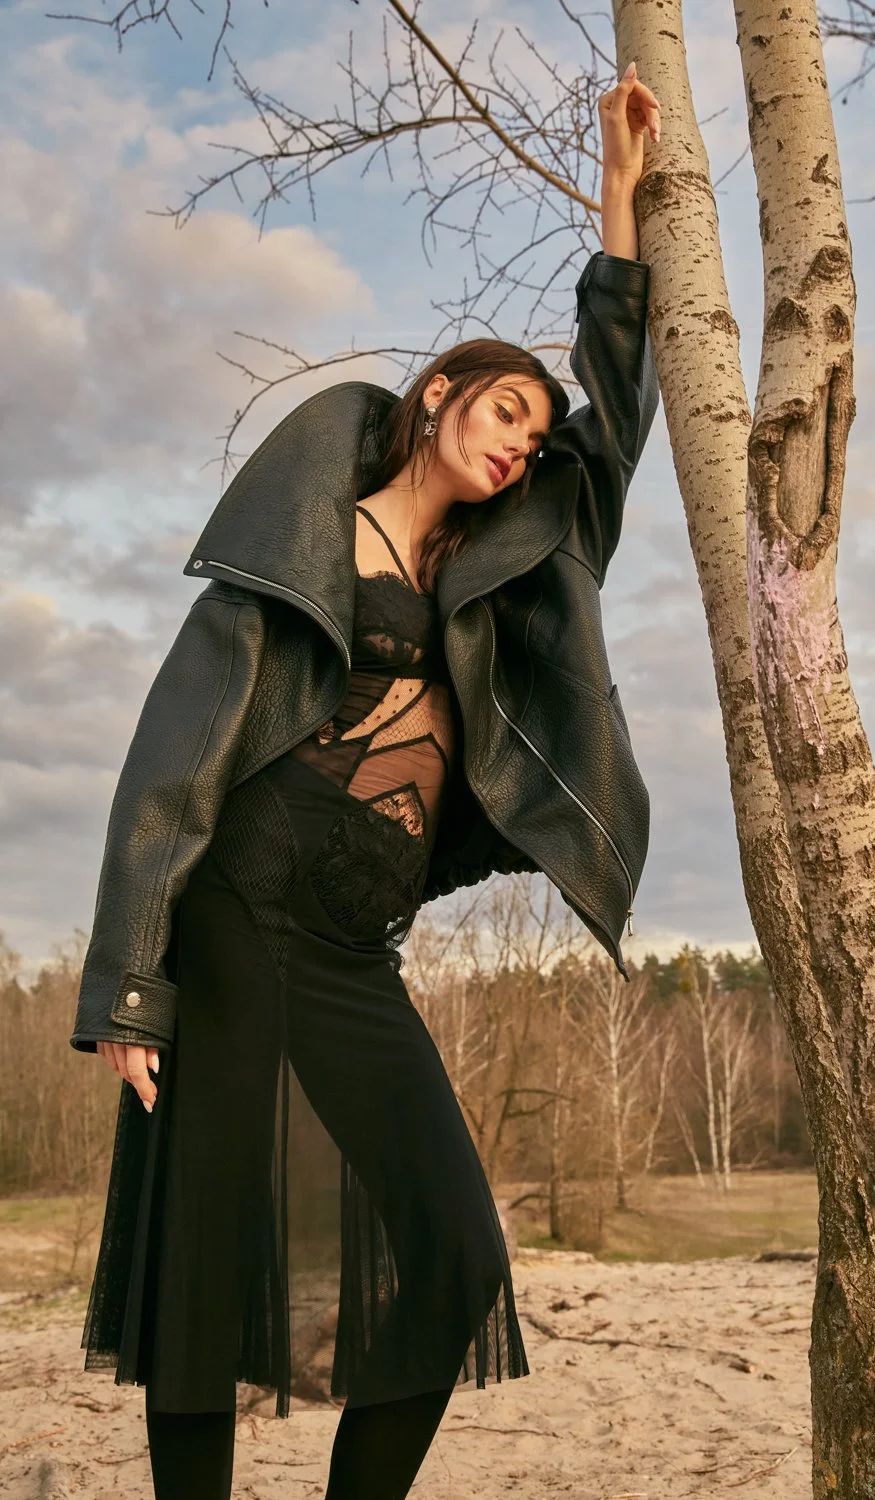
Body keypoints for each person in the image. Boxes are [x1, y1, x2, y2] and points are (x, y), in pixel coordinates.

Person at [70, 60, 661, 1500]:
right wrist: (127, 987)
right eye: (506, 408)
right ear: (441, 393)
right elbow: (173, 762)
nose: (524, 438)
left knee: (455, 1250)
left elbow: (617, 433)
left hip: (350, 946)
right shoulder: (303, 540)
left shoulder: (496, 564)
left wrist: (621, 209)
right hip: (239, 912)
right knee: (206, 1269)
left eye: (534, 431)